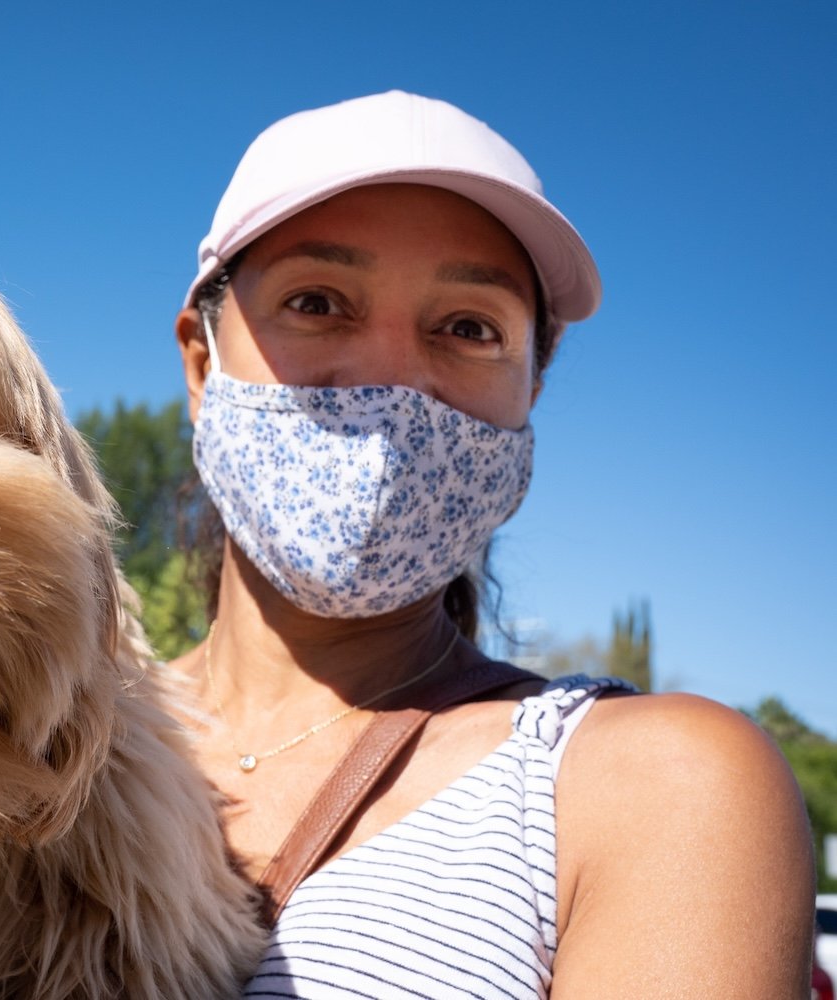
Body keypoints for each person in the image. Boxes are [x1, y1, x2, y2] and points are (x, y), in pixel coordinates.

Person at [169, 91, 815, 998]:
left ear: (530, 397)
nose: (392, 378)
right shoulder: (6, 738)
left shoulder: (652, 788)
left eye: (469, 328)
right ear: (202, 362)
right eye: (317, 302)